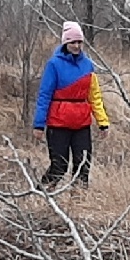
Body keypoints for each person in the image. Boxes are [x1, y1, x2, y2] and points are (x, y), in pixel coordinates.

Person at [31, 21, 109, 190]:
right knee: (59, 166)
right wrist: (39, 124)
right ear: (65, 43)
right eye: (73, 42)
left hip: (81, 123)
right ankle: (42, 194)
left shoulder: (88, 65)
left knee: (83, 165)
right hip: (58, 123)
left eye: (79, 42)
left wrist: (103, 122)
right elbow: (45, 95)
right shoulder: (54, 64)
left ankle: (78, 201)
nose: (76, 45)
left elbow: (94, 96)